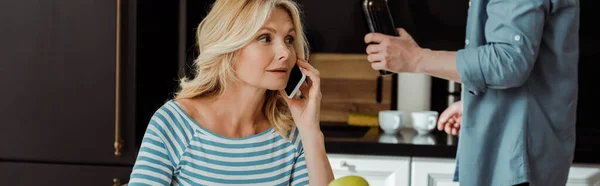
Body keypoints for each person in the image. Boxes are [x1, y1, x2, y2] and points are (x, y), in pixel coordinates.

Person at [363, 0, 579, 185]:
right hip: (517, 153)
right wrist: (478, 103)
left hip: (517, 156)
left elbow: (509, 62)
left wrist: (415, 59)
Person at [128, 0, 334, 185]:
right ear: (229, 46)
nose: (285, 53)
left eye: (289, 39)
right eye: (265, 38)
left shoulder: (291, 132)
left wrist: (311, 130)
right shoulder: (174, 124)